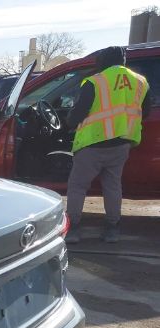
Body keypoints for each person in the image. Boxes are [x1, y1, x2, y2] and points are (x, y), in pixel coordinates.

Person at [64, 46, 150, 244]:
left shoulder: (95, 81)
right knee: (112, 186)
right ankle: (112, 230)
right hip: (122, 144)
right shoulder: (141, 82)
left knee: (77, 186)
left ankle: (74, 229)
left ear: (103, 61)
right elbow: (143, 113)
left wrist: (70, 122)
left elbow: (76, 115)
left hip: (92, 144)